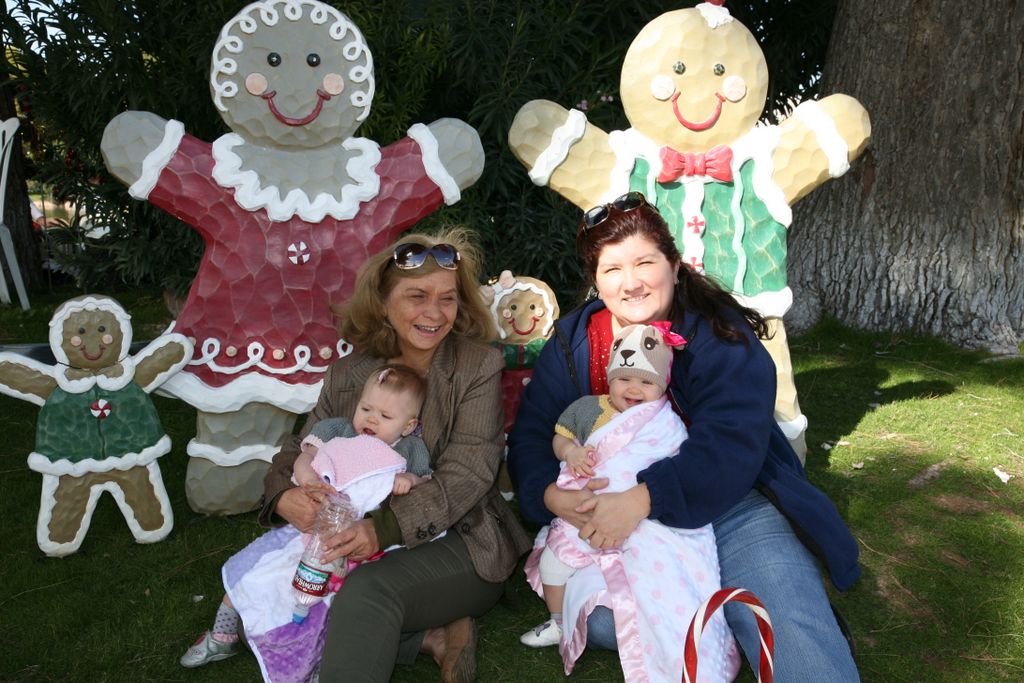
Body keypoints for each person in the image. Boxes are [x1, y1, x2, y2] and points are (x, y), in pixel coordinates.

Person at [508, 192, 861, 682]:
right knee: (607, 622)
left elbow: (731, 443)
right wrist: (550, 494)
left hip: (730, 505)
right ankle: (724, 621)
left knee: (790, 633)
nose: (630, 283)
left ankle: (769, 612)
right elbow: (532, 433)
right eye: (612, 270)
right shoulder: (575, 342)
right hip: (622, 524)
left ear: (674, 266)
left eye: (644, 262)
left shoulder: (719, 333)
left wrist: (646, 497)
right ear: (595, 281)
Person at [259, 228, 532, 683]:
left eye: (447, 299)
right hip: (356, 534)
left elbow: (469, 472)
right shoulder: (350, 373)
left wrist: (383, 528)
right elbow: (302, 446)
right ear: (383, 302)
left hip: (460, 540)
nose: (434, 312)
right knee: (290, 578)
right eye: (417, 296)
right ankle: (431, 636)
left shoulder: (476, 366)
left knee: (367, 591)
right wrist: (281, 496)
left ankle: (422, 625)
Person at [180, 364, 433, 679]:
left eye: (385, 416)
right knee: (252, 573)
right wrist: (308, 478)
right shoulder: (339, 431)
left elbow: (426, 483)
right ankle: (223, 634)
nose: (370, 418)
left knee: (326, 606)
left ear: (409, 426)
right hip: (305, 527)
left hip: (348, 541)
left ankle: (312, 663)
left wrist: (408, 479)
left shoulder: (409, 449)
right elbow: (303, 457)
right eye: (366, 408)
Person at [519, 321, 737, 681]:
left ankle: (668, 627)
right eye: (624, 379)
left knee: (659, 581)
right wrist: (571, 453)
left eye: (646, 382)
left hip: (643, 519)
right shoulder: (587, 408)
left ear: (663, 384)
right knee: (553, 566)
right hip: (582, 509)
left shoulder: (667, 423)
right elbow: (560, 437)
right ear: (609, 376)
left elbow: (675, 464)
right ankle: (558, 621)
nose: (634, 389)